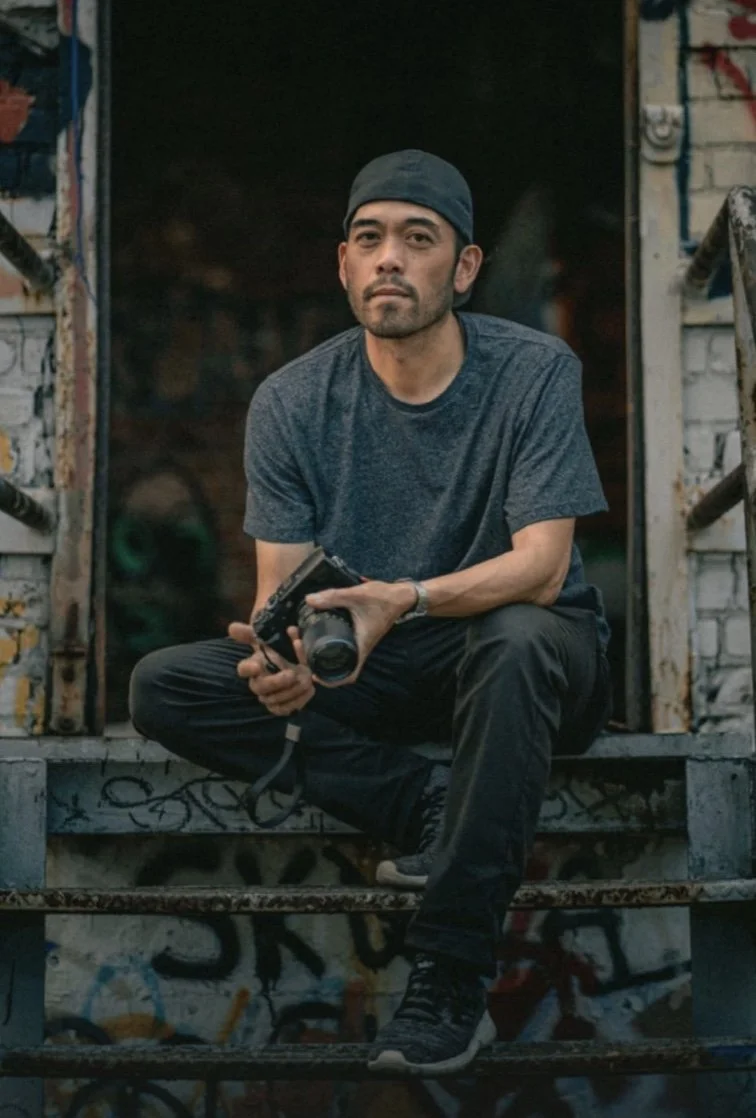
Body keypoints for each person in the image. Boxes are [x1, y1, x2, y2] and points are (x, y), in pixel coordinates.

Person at [129, 149, 612, 1075]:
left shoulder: (534, 373)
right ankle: (425, 801)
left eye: (417, 239)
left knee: (513, 638)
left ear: (463, 269)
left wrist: (408, 598)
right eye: (369, 239)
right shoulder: (292, 401)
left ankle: (453, 979)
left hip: (531, 666)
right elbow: (284, 591)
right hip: (381, 666)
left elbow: (544, 570)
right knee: (168, 686)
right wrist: (286, 661)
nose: (390, 258)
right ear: (344, 264)